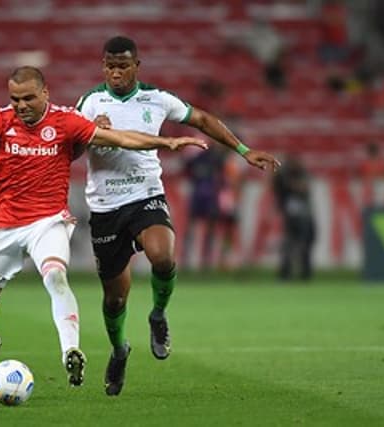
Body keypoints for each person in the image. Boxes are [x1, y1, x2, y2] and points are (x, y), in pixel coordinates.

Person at [0, 66, 207, 392]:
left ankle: (70, 349)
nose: (21, 105)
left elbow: (121, 138)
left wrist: (166, 141)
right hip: (2, 224)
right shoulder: (2, 121)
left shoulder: (67, 121)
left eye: (28, 97)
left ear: (45, 93)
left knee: (56, 276)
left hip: (48, 220)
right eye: (15, 99)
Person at [75, 36, 280, 396]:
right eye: (109, 65)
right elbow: (71, 148)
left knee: (163, 256)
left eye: (123, 65)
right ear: (102, 66)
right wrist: (91, 135)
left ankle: (157, 314)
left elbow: (200, 118)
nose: (116, 72)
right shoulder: (90, 103)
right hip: (105, 207)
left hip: (146, 196)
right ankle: (120, 349)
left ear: (137, 66)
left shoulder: (157, 98)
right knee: (115, 299)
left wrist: (243, 151)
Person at [272, 154, 315, 281]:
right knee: (291, 245)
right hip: (295, 216)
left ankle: (302, 273)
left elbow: (303, 188)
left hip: (302, 215)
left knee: (301, 245)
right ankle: (287, 272)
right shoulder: (285, 178)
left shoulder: (297, 175)